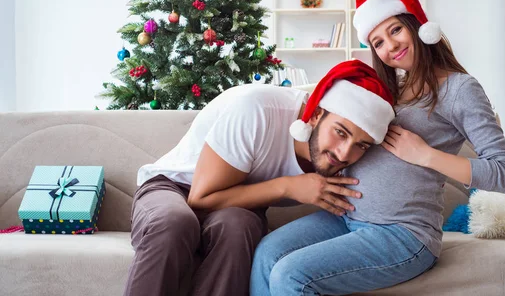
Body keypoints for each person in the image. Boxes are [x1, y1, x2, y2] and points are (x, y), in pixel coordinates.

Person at [250, 0, 505, 295]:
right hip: (347, 218)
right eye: (377, 42)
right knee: (267, 253)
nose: (390, 47)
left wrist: (426, 155)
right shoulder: (388, 89)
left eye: (395, 30)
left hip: (402, 235)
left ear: (417, 25)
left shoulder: (460, 89)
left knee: (291, 275)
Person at [123, 59, 396, 296]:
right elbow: (199, 199)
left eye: (361, 145)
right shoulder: (257, 110)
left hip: (237, 203)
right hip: (174, 187)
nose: (344, 153)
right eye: (341, 132)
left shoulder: (351, 159)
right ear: (315, 116)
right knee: (175, 222)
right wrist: (288, 186)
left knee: (239, 227)